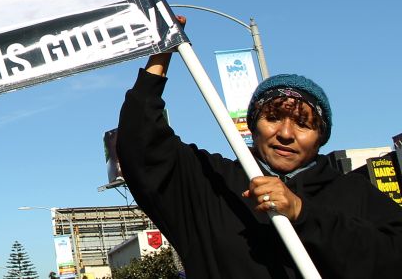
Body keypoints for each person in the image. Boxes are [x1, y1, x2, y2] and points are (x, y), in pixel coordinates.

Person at [117, 51, 402, 278]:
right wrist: (160, 56)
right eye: (273, 118)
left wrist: (303, 214)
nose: (286, 134)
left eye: (303, 124)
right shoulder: (213, 184)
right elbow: (141, 145)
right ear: (253, 126)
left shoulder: (357, 193)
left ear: (321, 138)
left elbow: (391, 261)